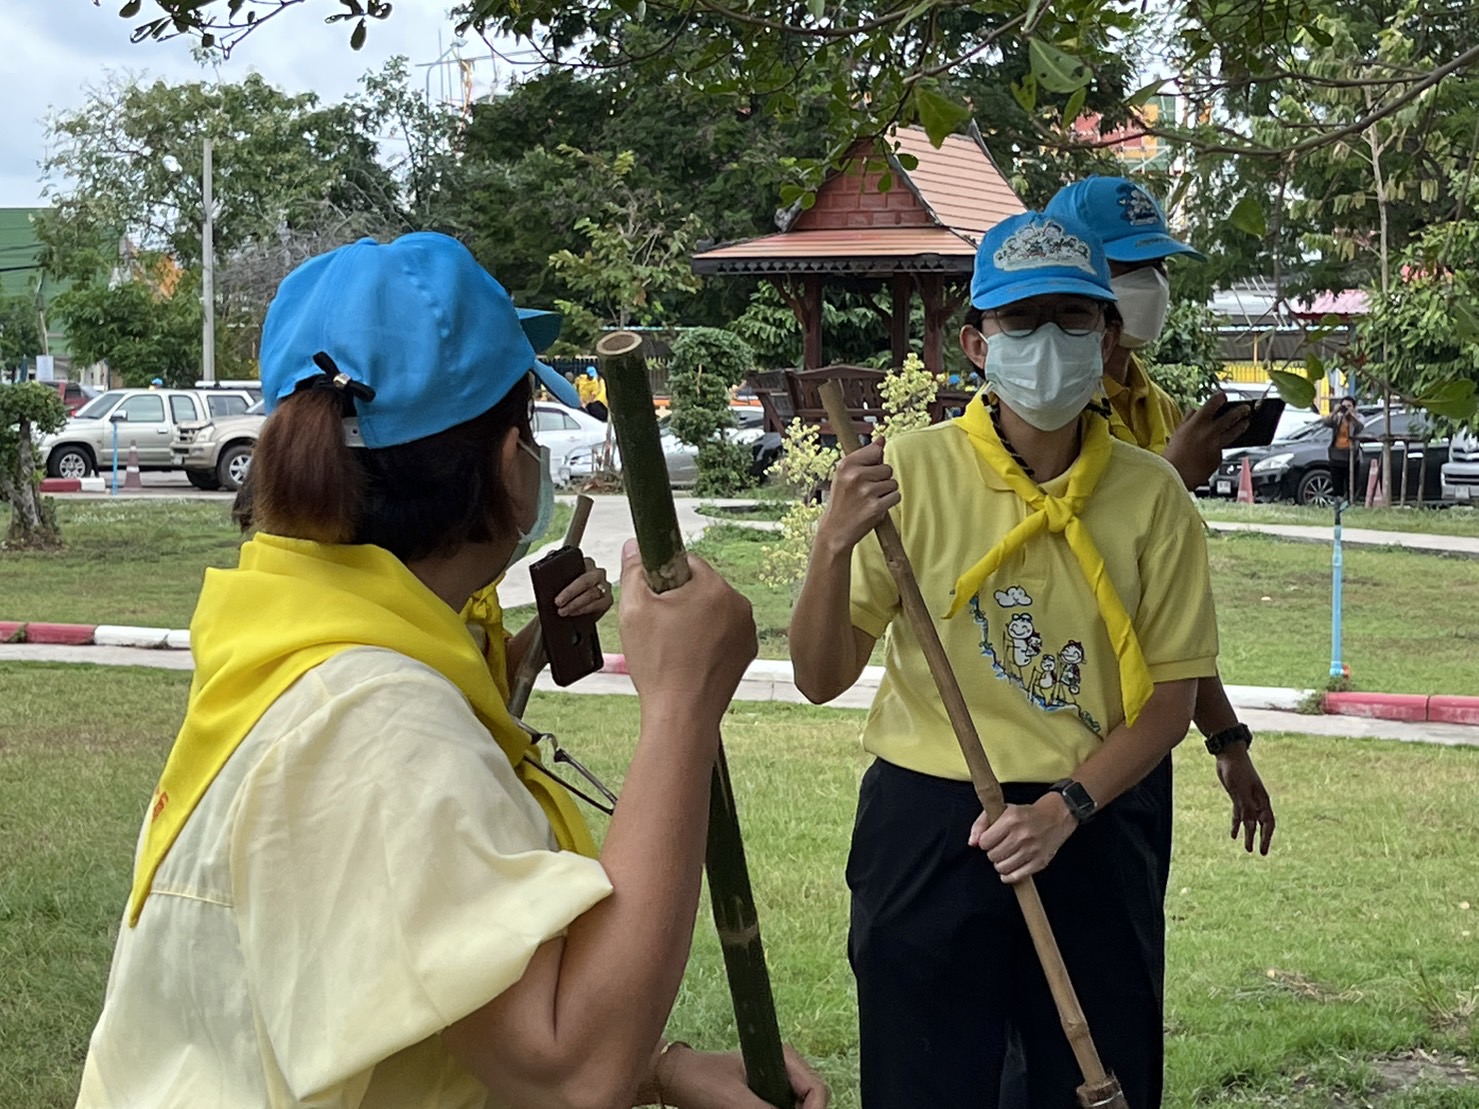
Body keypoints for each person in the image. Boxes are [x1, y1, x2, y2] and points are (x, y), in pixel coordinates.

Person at [76, 232, 826, 1109]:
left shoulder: (298, 652)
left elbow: (453, 995)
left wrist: (659, 1067)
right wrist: (681, 709)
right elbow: (569, 1071)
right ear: (509, 462)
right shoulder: (375, 718)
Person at [790, 211, 1219, 1108]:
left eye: (1073, 318)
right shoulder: (903, 474)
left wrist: (1062, 812)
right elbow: (819, 676)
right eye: (1021, 322)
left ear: (1107, 341)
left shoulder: (1153, 497)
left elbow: (1170, 699)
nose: (1048, 342)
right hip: (928, 824)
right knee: (923, 1080)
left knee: (1098, 1077)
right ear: (978, 343)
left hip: (1091, 818)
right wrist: (832, 545)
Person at [1046, 175, 1276, 865]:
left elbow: (1160, 612)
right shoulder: (1043, 410)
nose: (1148, 284)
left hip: (1140, 750)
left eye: (1157, 268)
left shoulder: (1154, 406)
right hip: (1047, 748)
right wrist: (1168, 479)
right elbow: (1058, 573)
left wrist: (1226, 740)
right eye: (1128, 268)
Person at [1323, 394, 1365, 502]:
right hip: (1337, 454)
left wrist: (1350, 416)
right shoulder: (1338, 418)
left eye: (1349, 406)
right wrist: (1335, 411)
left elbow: (1359, 427)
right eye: (1344, 405)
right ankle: (1338, 501)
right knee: (1337, 483)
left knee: (1351, 483)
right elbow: (1326, 422)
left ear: (1354, 407)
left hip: (1351, 455)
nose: (1346, 408)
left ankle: (1350, 501)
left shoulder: (1358, 417)